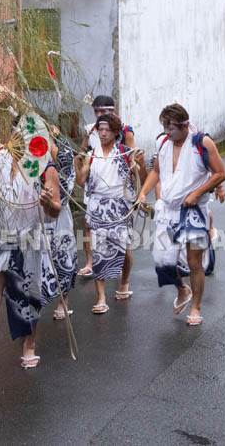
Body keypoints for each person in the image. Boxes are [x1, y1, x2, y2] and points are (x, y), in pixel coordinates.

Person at [0, 101, 62, 378]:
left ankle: (29, 346)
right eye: (19, 133)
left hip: (27, 240)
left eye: (30, 135)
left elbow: (55, 210)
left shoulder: (46, 168)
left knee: (27, 300)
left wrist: (47, 203)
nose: (22, 139)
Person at [137, 104, 225, 326]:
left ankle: (195, 307)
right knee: (161, 261)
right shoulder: (163, 142)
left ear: (185, 125)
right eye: (164, 128)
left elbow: (220, 173)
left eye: (172, 129)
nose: (167, 133)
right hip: (168, 210)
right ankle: (182, 290)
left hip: (193, 211)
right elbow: (157, 172)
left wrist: (197, 193)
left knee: (195, 262)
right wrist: (142, 192)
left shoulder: (202, 142)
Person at [75, 114, 143, 313]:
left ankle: (124, 282)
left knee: (125, 251)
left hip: (121, 207)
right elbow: (81, 181)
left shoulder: (124, 153)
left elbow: (140, 176)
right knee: (98, 252)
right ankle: (101, 297)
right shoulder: (91, 154)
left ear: (115, 132)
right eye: (100, 130)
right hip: (98, 207)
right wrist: (77, 163)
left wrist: (137, 164)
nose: (103, 133)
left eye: (107, 130)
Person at [77, 95, 138, 278]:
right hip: (95, 182)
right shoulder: (90, 130)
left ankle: (122, 276)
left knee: (121, 238)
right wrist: (81, 160)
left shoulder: (124, 130)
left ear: (112, 111)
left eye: (104, 110)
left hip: (118, 188)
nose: (99, 114)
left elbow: (132, 159)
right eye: (96, 110)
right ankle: (91, 263)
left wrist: (137, 191)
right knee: (90, 227)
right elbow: (83, 150)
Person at [42, 135, 79, 320]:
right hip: (36, 213)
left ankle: (62, 303)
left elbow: (69, 175)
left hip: (60, 211)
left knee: (65, 255)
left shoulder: (62, 146)